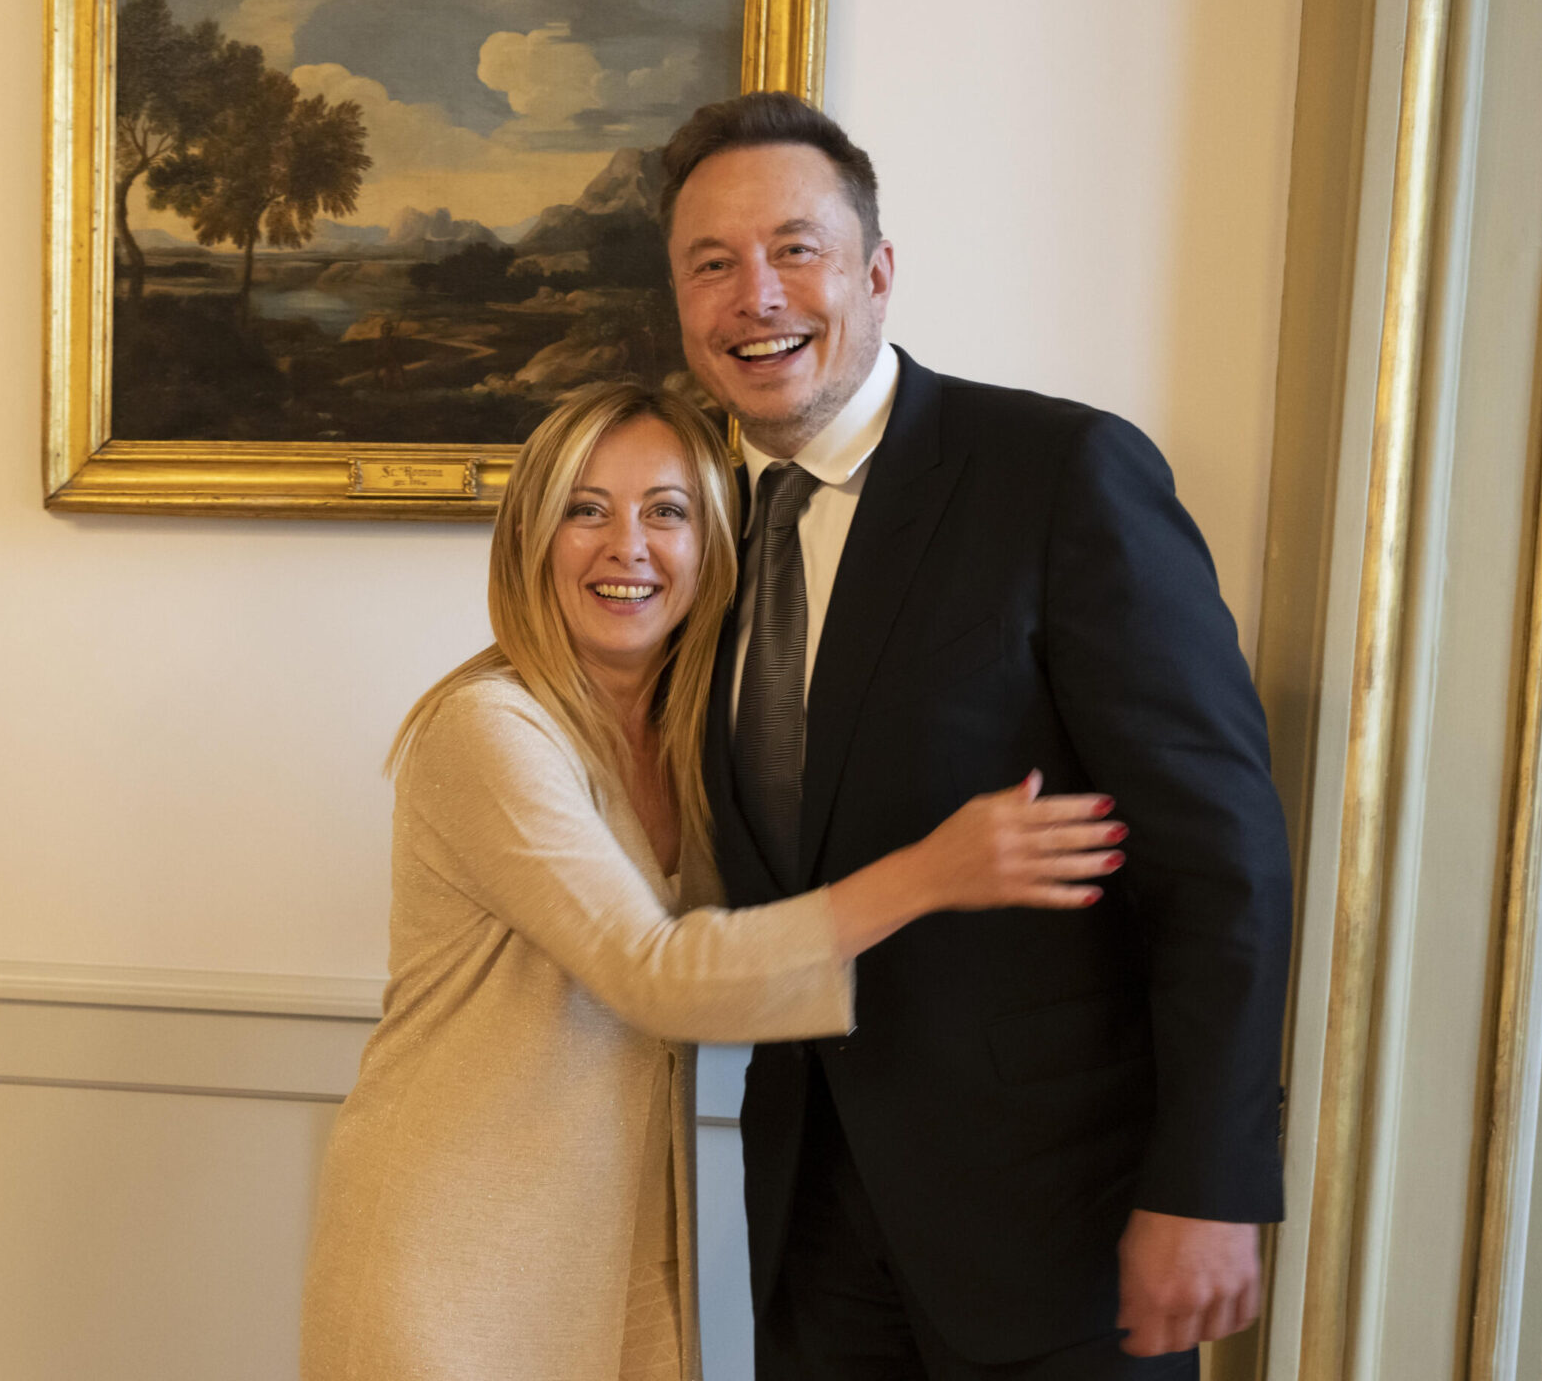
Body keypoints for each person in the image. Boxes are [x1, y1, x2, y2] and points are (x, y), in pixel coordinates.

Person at [299, 381, 1126, 1381]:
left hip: (624, 1239)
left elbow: (759, 934)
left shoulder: (699, 737)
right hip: (458, 1252)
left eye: (667, 511)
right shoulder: (488, 729)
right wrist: (930, 873)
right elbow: (654, 973)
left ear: (715, 548)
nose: (628, 547)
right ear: (529, 538)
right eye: (586, 509)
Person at [660, 93, 1294, 1379]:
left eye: (796, 249)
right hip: (810, 1230)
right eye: (711, 264)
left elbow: (1221, 854)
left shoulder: (1058, 473)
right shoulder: (697, 532)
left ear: (877, 273)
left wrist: (1209, 1183)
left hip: (1059, 1224)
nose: (755, 295)